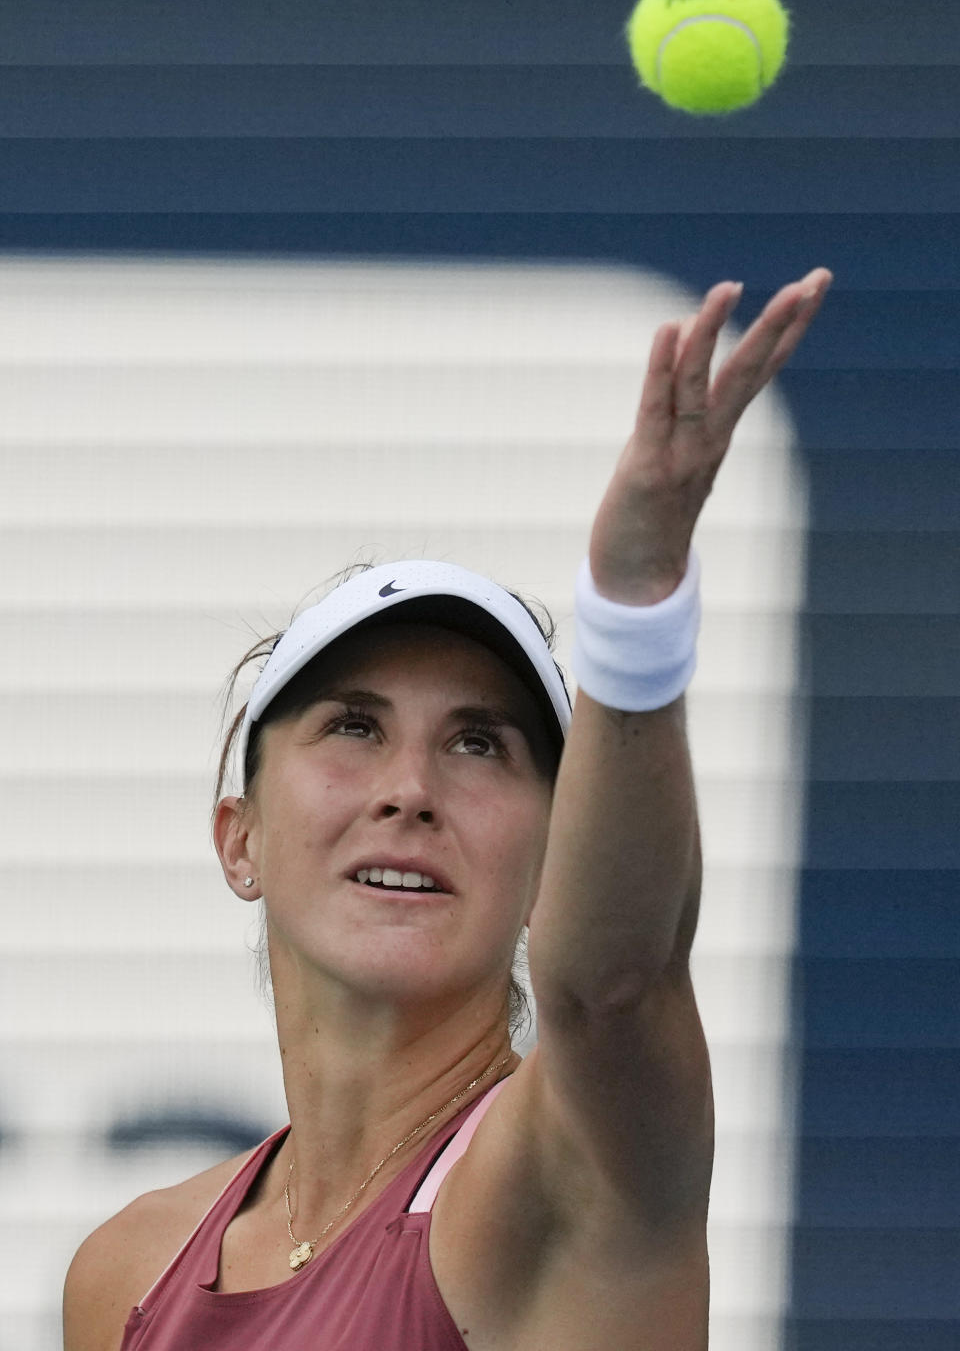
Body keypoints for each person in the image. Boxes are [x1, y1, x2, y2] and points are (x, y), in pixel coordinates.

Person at [62, 266, 833, 1350]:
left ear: (552, 867)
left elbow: (614, 984)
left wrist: (639, 606)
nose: (411, 792)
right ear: (241, 838)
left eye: (481, 744)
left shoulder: (565, 1172)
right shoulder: (124, 1274)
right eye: (353, 727)